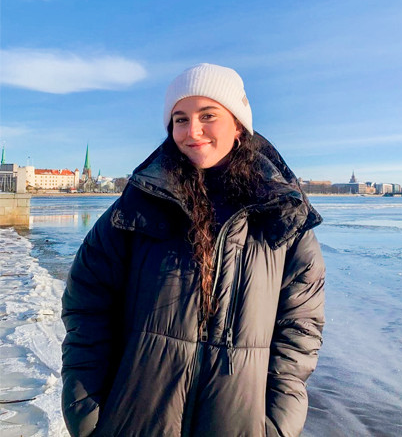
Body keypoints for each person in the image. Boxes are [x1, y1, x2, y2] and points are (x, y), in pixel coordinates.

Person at [61, 63, 325, 436]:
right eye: (180, 119)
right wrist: (87, 410)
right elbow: (87, 307)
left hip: (239, 423)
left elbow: (300, 327)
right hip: (134, 421)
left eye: (208, 115)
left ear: (238, 125)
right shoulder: (136, 209)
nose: (192, 131)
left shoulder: (282, 218)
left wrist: (277, 422)